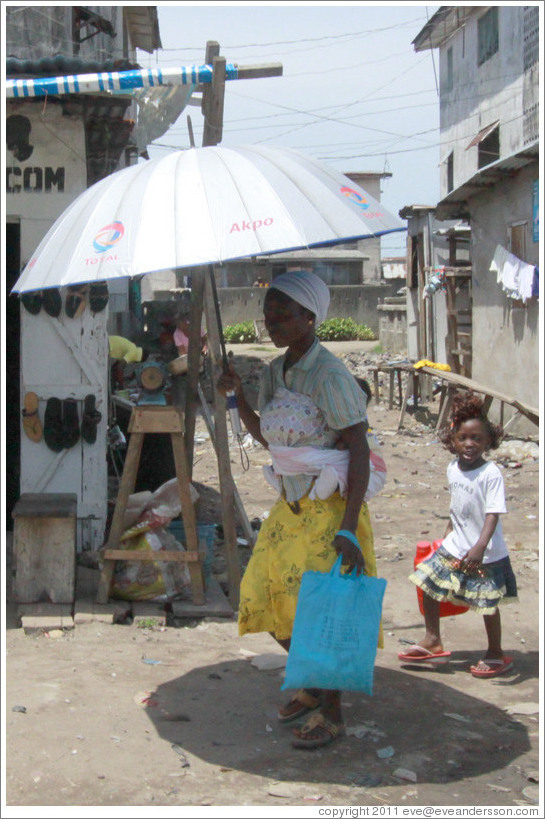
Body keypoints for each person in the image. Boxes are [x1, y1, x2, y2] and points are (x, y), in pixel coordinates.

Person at [217, 269, 380, 750]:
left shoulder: (330, 375)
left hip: (329, 513)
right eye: (268, 315)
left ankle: (332, 713)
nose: (273, 323)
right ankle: (312, 684)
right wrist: (237, 395)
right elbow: (266, 435)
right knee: (262, 597)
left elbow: (359, 450)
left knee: (320, 614)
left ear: (311, 317)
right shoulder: (276, 371)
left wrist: (348, 529)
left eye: (283, 314)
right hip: (290, 509)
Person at [398, 392, 517, 678]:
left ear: (489, 441)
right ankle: (433, 639)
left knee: (485, 602)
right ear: (453, 440)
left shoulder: (491, 474)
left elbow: (493, 514)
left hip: (484, 552)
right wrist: (448, 532)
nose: (469, 444)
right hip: (455, 545)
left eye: (477, 438)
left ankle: (496, 652)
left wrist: (479, 547)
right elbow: (457, 506)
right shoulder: (453, 468)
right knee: (428, 582)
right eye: (463, 438)